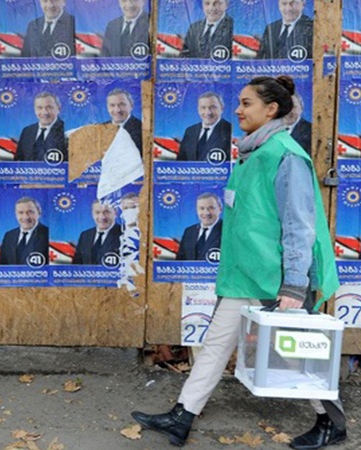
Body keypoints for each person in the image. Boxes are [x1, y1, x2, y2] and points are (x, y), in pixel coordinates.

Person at [131, 76, 343, 450]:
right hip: (247, 273)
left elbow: (299, 225)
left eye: (246, 103)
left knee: (299, 352)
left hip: (276, 277)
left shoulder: (286, 155)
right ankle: (183, 415)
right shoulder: (253, 152)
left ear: (271, 109)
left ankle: (331, 422)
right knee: (215, 344)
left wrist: (294, 284)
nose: (238, 110)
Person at [177, 92, 231, 162]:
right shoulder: (190, 131)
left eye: (213, 107)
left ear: (222, 108)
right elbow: (180, 162)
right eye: (203, 107)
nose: (208, 112)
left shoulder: (229, 130)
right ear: (198, 109)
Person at [15, 92, 67, 162]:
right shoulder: (27, 131)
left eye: (49, 107)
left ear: (59, 109)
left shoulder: (67, 131)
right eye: (39, 108)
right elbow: (17, 162)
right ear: (35, 110)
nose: (45, 112)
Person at [0, 196, 49, 265]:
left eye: (30, 212)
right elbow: (1, 265)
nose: (25, 217)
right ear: (16, 214)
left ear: (39, 213)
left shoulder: (48, 234)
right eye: (21, 212)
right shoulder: (9, 236)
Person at [73, 200, 122, 265]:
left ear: (115, 213)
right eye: (97, 212)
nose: (102, 217)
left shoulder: (125, 234)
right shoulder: (85, 235)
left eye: (106, 212)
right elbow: (76, 265)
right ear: (92, 214)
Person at [176, 193, 222, 261]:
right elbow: (180, 261)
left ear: (220, 209)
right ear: (197, 210)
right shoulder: (189, 231)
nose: (206, 213)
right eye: (202, 208)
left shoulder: (228, 231)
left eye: (211, 208)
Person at [105, 88, 142, 156]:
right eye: (112, 105)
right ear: (107, 108)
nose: (117, 110)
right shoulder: (101, 130)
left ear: (131, 106)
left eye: (122, 104)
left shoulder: (142, 130)